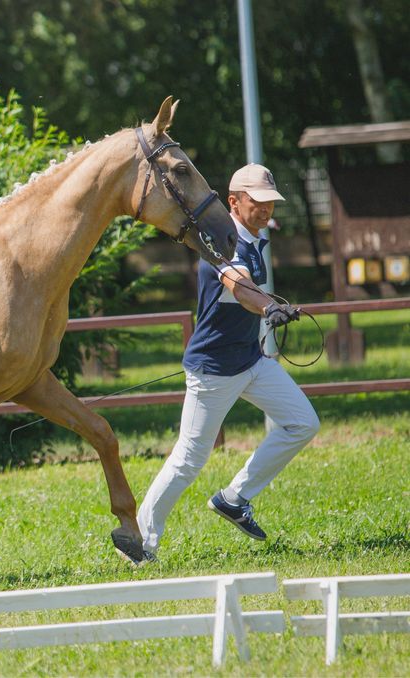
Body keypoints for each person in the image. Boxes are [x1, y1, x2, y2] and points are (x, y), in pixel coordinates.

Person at [137, 163, 320, 558]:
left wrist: (274, 307)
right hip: (214, 371)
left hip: (250, 362)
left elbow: (251, 291)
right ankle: (141, 541)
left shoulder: (253, 239)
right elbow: (239, 287)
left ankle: (234, 498)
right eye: (258, 202)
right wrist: (267, 306)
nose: (267, 209)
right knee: (189, 459)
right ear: (234, 201)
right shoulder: (223, 242)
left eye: (271, 202)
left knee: (303, 422)